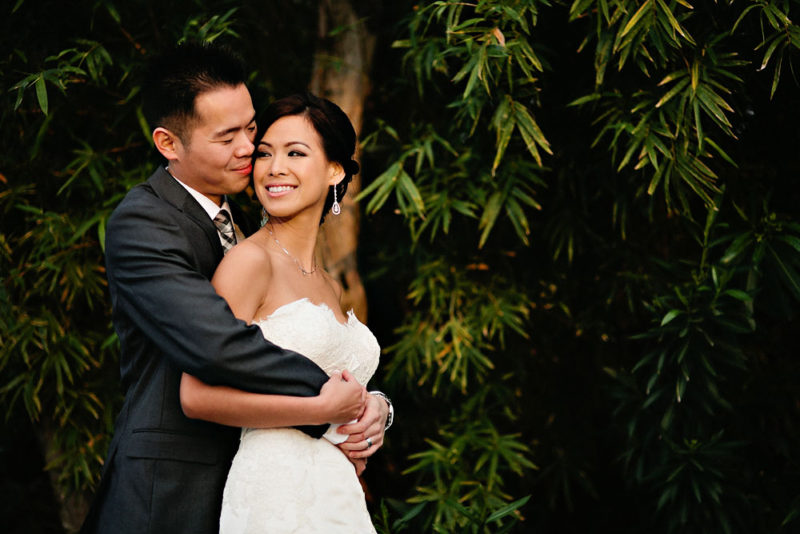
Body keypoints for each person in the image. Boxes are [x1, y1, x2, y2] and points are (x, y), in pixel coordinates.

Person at [80, 43, 391, 534]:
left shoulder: (249, 217)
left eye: (251, 129)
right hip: (172, 491)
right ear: (168, 143)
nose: (249, 149)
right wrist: (335, 404)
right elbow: (219, 344)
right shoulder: (145, 222)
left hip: (270, 481)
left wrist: (376, 408)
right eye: (229, 137)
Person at [178, 92, 383, 533]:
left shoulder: (329, 283)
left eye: (295, 153)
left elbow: (341, 382)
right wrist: (317, 412)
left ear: (335, 169)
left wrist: (376, 414)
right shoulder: (249, 263)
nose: (274, 169)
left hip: (338, 494)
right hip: (274, 493)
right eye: (265, 154)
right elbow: (195, 396)